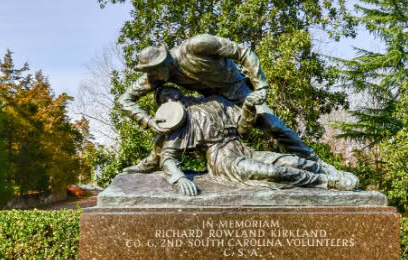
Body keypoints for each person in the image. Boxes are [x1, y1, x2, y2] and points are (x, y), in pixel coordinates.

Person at [118, 34, 317, 174]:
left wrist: (260, 86)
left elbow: (244, 53)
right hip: (213, 104)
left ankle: (313, 161)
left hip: (239, 91)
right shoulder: (159, 74)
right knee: (177, 124)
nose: (151, 77)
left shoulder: (198, 45)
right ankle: (155, 160)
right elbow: (125, 100)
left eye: (153, 70)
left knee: (272, 124)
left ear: (164, 62)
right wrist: (147, 121)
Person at [143, 86, 357, 196]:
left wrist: (248, 108)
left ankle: (328, 171)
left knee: (292, 161)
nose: (171, 98)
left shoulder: (216, 102)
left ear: (180, 91)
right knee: (272, 173)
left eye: (171, 92)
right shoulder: (180, 123)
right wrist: (179, 178)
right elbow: (168, 157)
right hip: (223, 160)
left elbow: (243, 130)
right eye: (165, 99)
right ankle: (327, 182)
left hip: (244, 149)